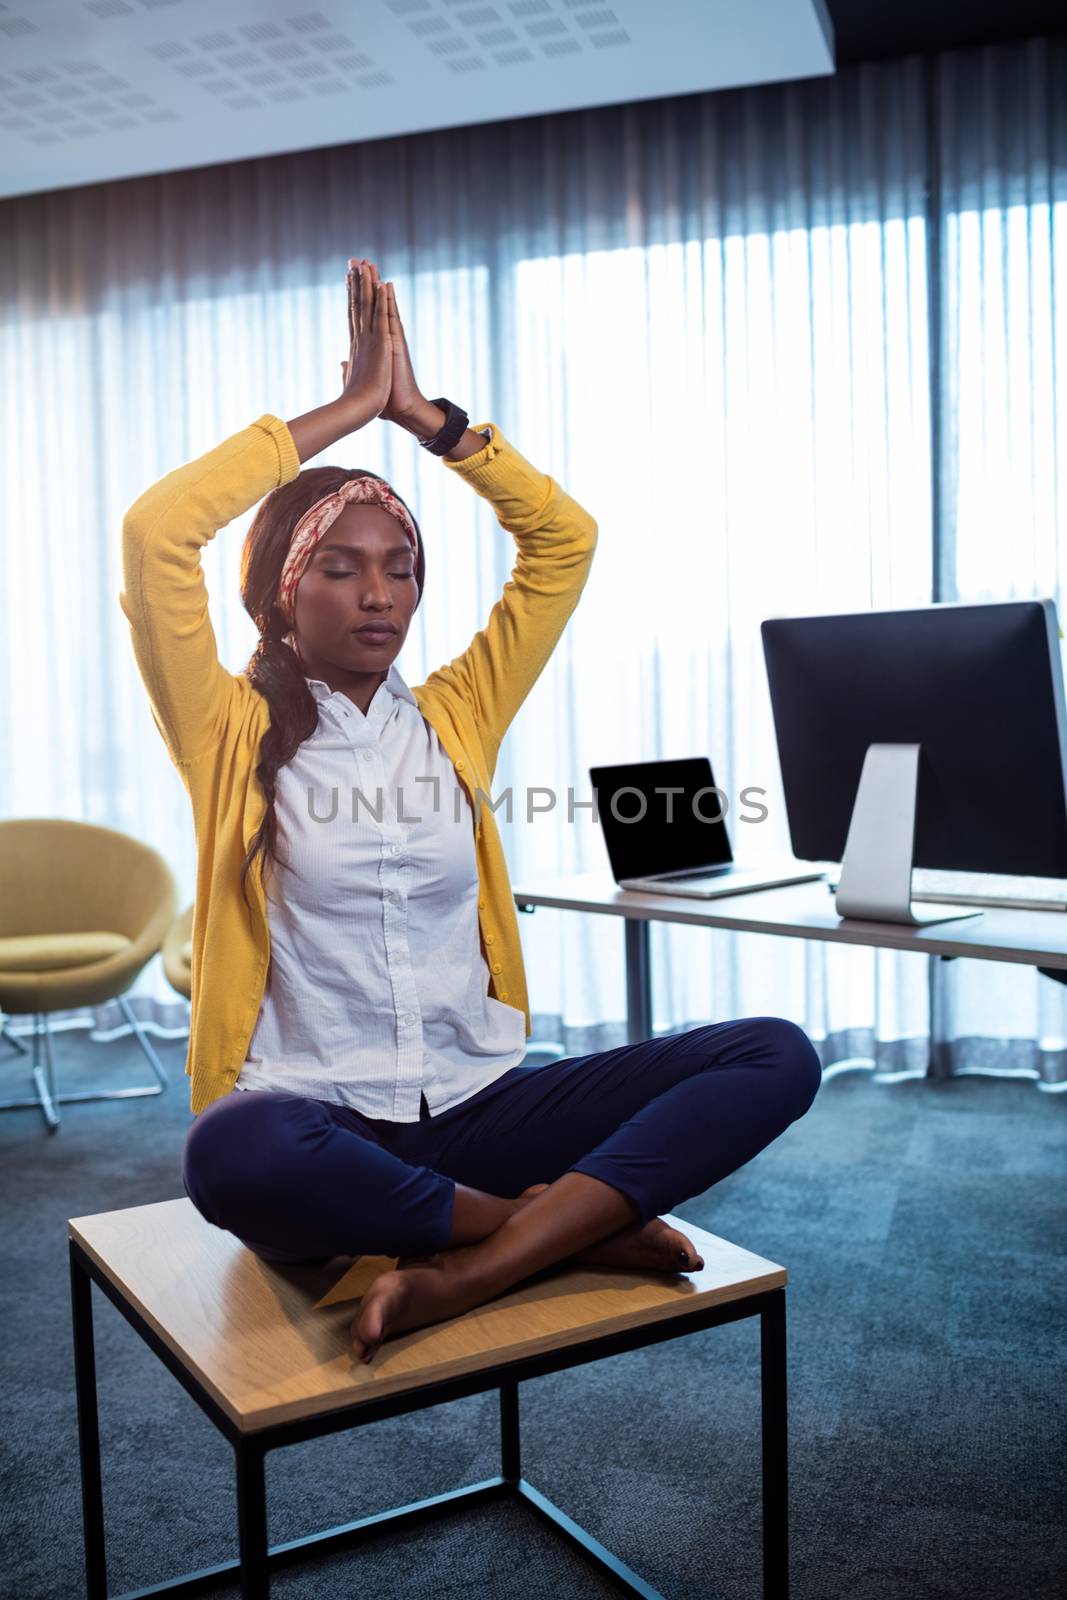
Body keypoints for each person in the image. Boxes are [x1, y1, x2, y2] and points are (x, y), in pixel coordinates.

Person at [120, 256, 822, 1364]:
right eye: (342, 568)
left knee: (774, 1052)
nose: (379, 594)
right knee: (229, 1151)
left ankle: (480, 1262)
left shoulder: (456, 714)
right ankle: (557, 1230)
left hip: (479, 1114)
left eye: (400, 568)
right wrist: (346, 413)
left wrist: (432, 424)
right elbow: (157, 531)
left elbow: (564, 542)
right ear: (279, 590)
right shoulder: (227, 730)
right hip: (324, 1125)